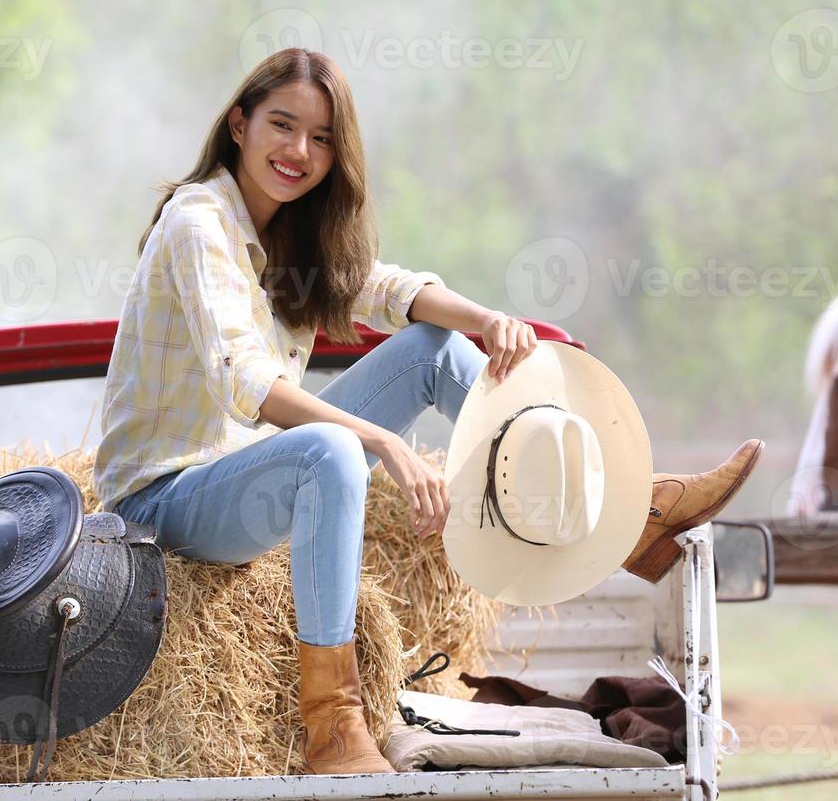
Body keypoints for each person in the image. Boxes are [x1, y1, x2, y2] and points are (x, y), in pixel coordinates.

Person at [94, 47, 759, 775]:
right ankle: (333, 728)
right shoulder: (199, 222)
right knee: (331, 450)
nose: (299, 152)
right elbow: (244, 382)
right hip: (160, 505)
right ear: (238, 124)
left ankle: (628, 516)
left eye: (321, 139)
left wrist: (488, 318)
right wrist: (386, 442)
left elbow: (384, 289)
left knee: (432, 348)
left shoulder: (286, 233)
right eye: (282, 126)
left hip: (233, 482)